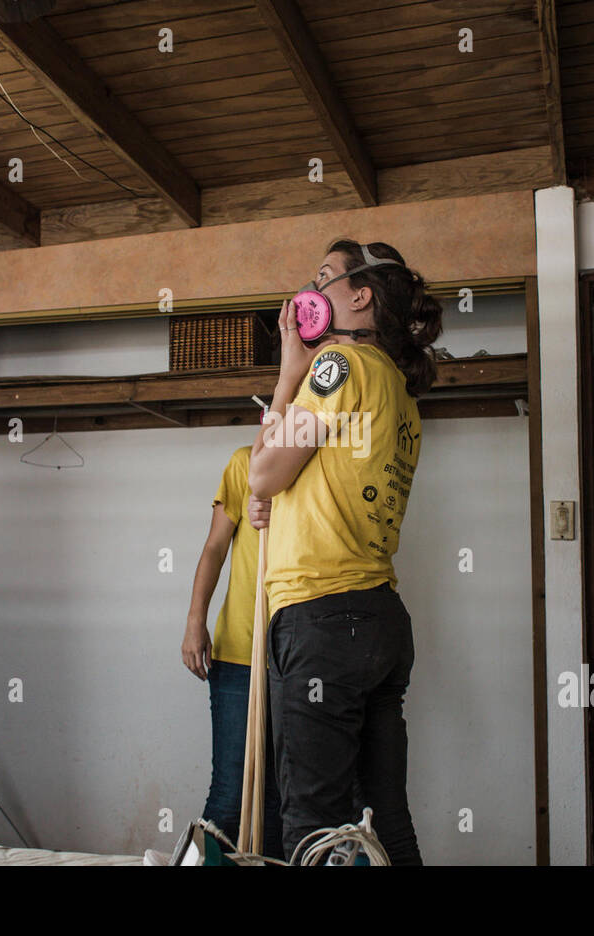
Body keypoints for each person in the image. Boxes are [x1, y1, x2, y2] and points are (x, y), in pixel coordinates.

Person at [246, 238, 441, 865]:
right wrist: (278, 497)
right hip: (378, 618)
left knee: (312, 822)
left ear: (361, 295)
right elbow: (318, 482)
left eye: (325, 276)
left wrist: (287, 373)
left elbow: (264, 472)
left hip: (324, 616)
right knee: (387, 820)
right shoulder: (398, 391)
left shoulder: (340, 366)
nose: (311, 288)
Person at [181, 445, 283, 859]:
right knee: (230, 794)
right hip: (239, 655)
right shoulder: (248, 462)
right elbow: (215, 547)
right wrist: (194, 622)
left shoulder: (321, 470)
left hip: (298, 660)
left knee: (278, 800)